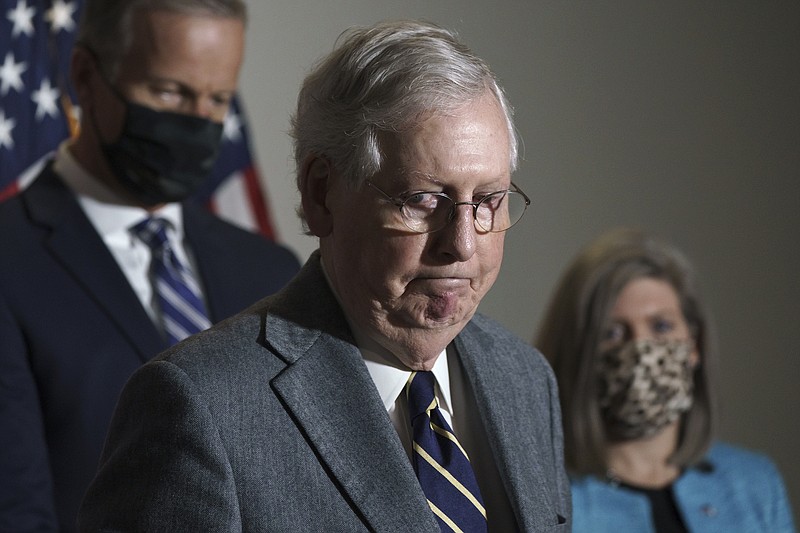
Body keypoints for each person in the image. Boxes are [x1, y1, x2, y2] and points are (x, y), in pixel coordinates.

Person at [78, 19, 571, 532]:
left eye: (489, 200)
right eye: (423, 200)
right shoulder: (200, 407)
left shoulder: (526, 379)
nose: (463, 245)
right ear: (321, 195)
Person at [0, 1, 300, 531]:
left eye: (217, 100)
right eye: (169, 92)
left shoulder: (270, 272)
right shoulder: (10, 258)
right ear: (86, 77)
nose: (197, 120)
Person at [535, 227, 796, 532]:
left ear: (694, 345)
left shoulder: (755, 485)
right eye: (612, 333)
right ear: (579, 351)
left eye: (661, 326)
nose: (641, 348)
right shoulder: (545, 501)